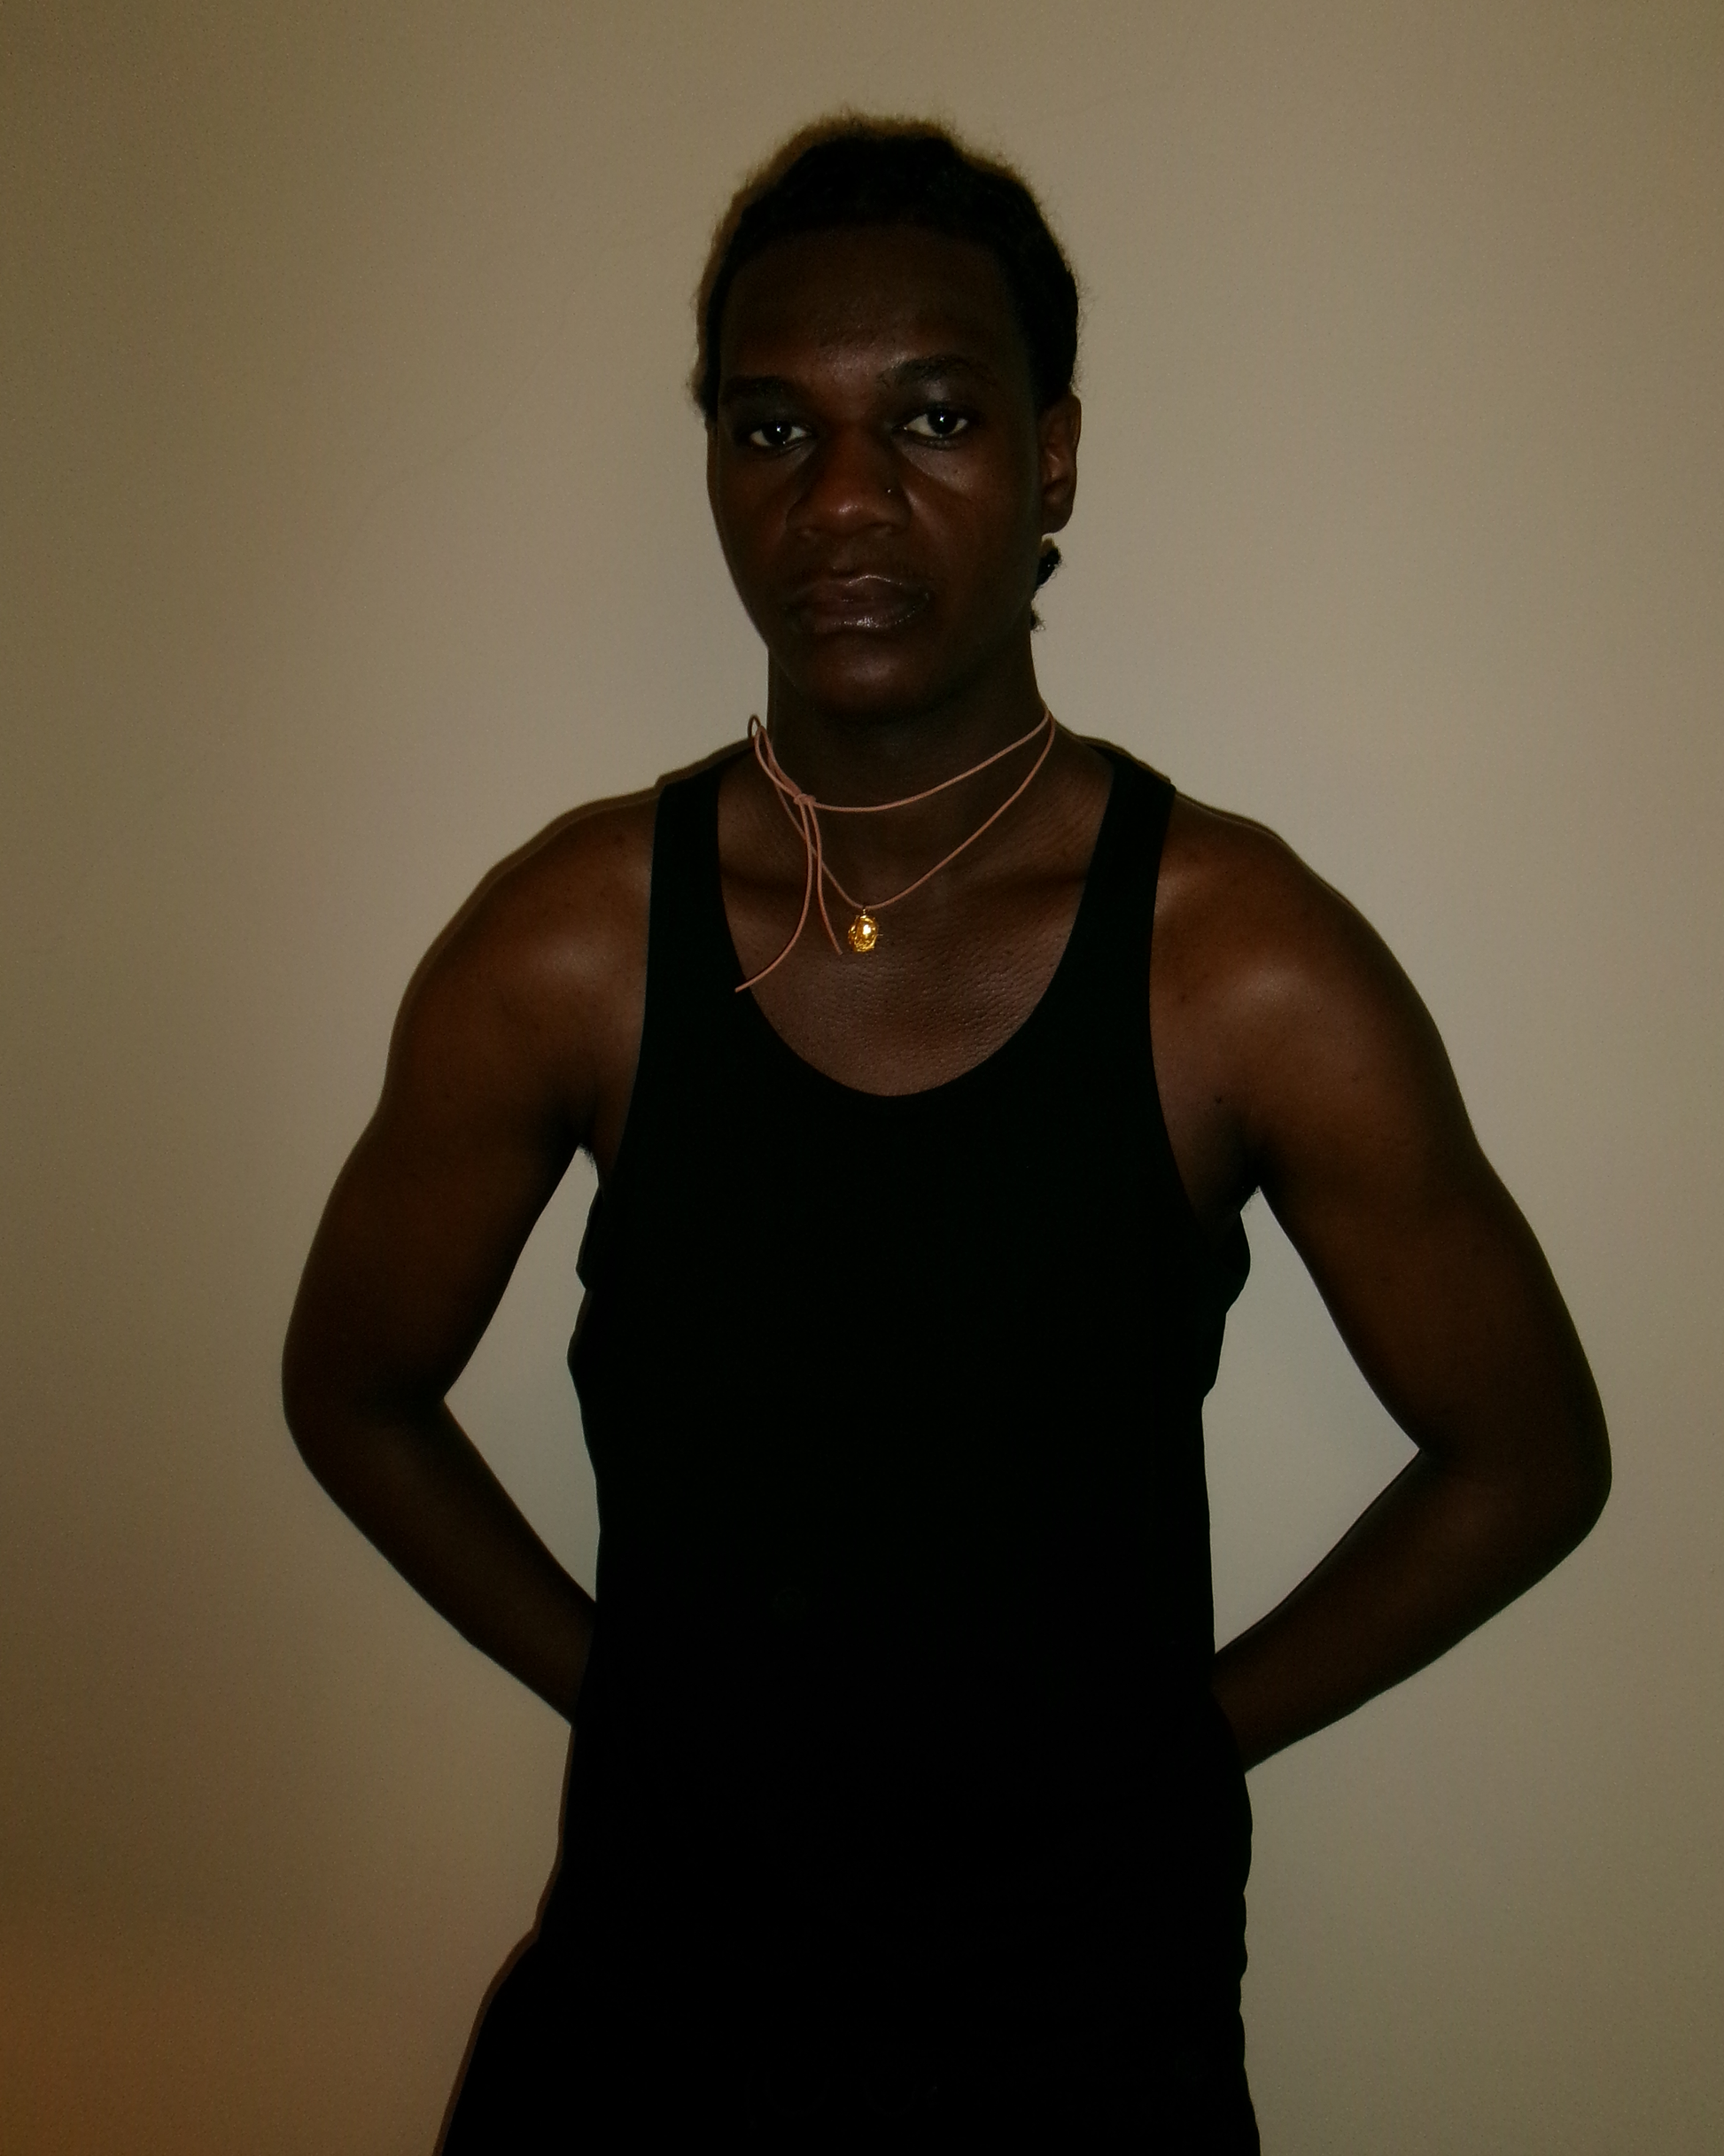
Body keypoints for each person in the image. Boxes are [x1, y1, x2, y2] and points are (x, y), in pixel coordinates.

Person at [282, 121, 1610, 2149]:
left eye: (931, 416)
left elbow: (1526, 1454)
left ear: (1050, 460)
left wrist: (1182, 1739)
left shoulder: (1234, 963)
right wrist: (621, 1694)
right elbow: (352, 1385)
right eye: (770, 429)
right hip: (646, 2032)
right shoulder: (573, 946)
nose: (842, 498)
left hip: (1086, 2047)